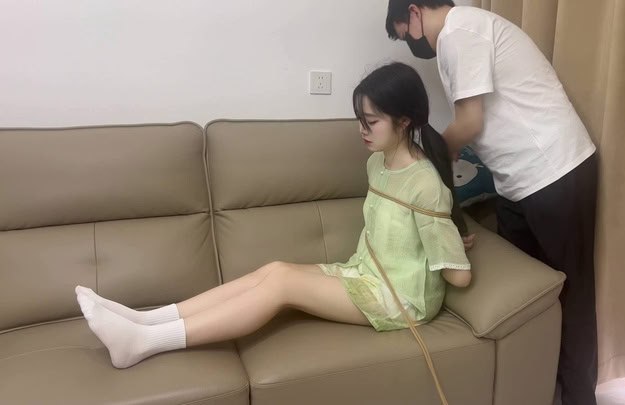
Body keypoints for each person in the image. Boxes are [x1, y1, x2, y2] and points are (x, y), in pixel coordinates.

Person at [74, 62, 472, 370]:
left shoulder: (424, 183)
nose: (361, 130)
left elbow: (459, 276)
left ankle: (144, 343)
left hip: (401, 300)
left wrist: (452, 245)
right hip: (364, 272)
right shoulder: (377, 164)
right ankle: (145, 320)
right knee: (276, 268)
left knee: (282, 284)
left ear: (404, 121)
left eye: (371, 122)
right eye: (359, 121)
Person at [385, 2, 599, 404]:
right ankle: (539, 389)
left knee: (571, 293)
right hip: (518, 182)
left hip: (554, 170)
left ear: (414, 12)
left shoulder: (459, 31)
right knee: (528, 297)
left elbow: (470, 122)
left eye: (403, 33)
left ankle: (578, 398)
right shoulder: (460, 35)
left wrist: (426, 163)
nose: (411, 44)